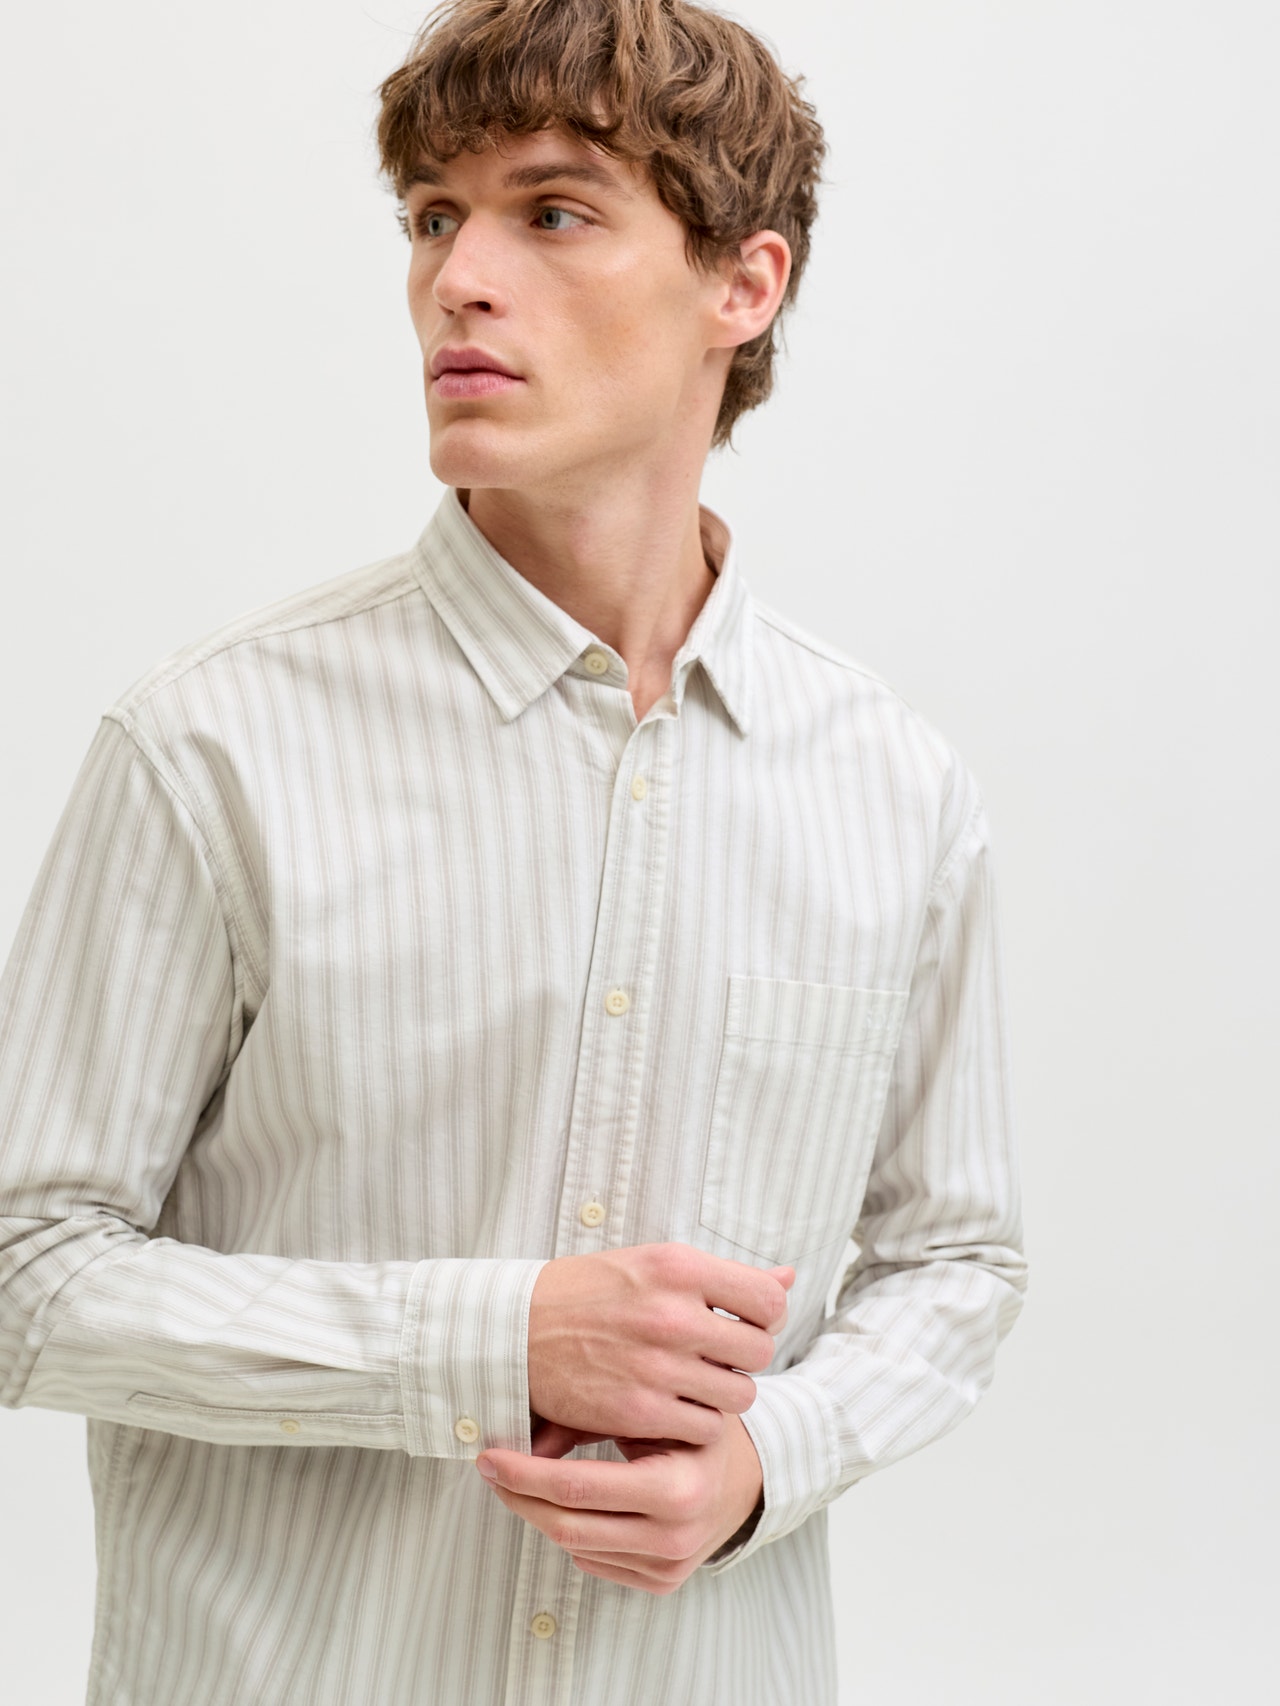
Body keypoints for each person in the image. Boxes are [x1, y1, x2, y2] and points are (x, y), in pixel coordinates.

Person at [0, 1, 1028, 1701]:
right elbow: (24, 1269)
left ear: (743, 284)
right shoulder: (209, 746)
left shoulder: (895, 787)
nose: (458, 280)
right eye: (432, 216)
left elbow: (956, 1259)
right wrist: (490, 1339)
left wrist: (769, 1457)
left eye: (552, 211)